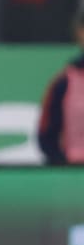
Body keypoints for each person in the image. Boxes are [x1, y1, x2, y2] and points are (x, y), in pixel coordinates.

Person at [39, 10, 84, 165]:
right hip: (74, 171)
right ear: (79, 33)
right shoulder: (64, 83)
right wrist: (62, 165)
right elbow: (46, 136)